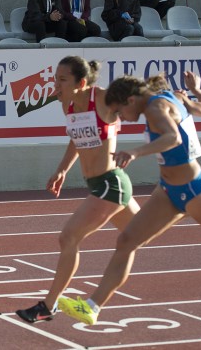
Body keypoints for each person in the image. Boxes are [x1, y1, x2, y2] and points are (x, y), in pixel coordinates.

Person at [58, 72, 201, 325]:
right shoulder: (173, 97)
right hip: (168, 190)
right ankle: (92, 307)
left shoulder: (157, 107)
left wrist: (135, 152)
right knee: (126, 241)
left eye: (119, 111)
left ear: (130, 99)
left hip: (194, 189)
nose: (121, 118)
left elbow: (173, 138)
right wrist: (198, 92)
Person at [15, 56, 140, 323]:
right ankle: (199, 200)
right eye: (54, 79)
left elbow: (140, 96)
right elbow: (76, 139)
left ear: (81, 83)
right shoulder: (68, 105)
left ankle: (48, 305)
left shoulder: (104, 99)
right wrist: (62, 169)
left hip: (111, 184)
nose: (55, 86)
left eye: (62, 80)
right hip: (101, 184)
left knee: (68, 237)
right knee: (135, 238)